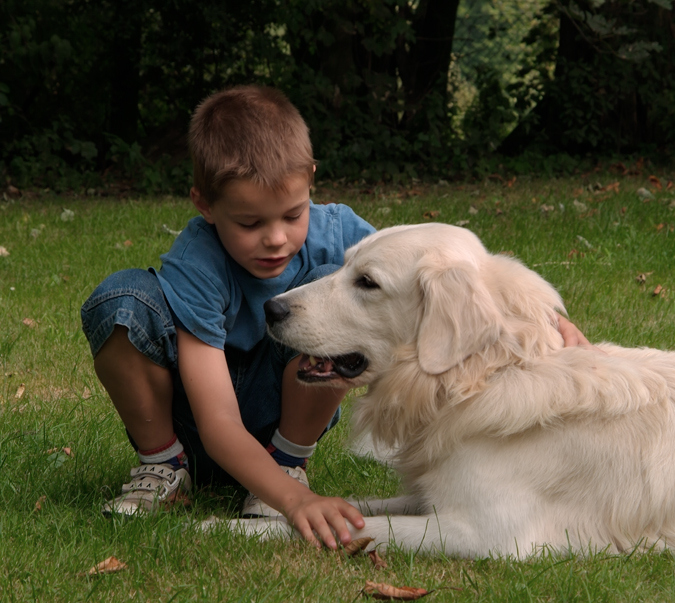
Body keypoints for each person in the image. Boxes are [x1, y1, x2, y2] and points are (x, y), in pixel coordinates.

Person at [81, 85, 590, 550]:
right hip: (197, 417)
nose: (276, 238)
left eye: (292, 214)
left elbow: (434, 268)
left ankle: (287, 462)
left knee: (345, 291)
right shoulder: (199, 262)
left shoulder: (341, 230)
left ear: (311, 186)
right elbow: (218, 421)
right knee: (123, 301)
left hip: (283, 412)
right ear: (206, 206)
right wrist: (296, 504)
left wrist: (546, 318)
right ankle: (165, 467)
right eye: (250, 222)